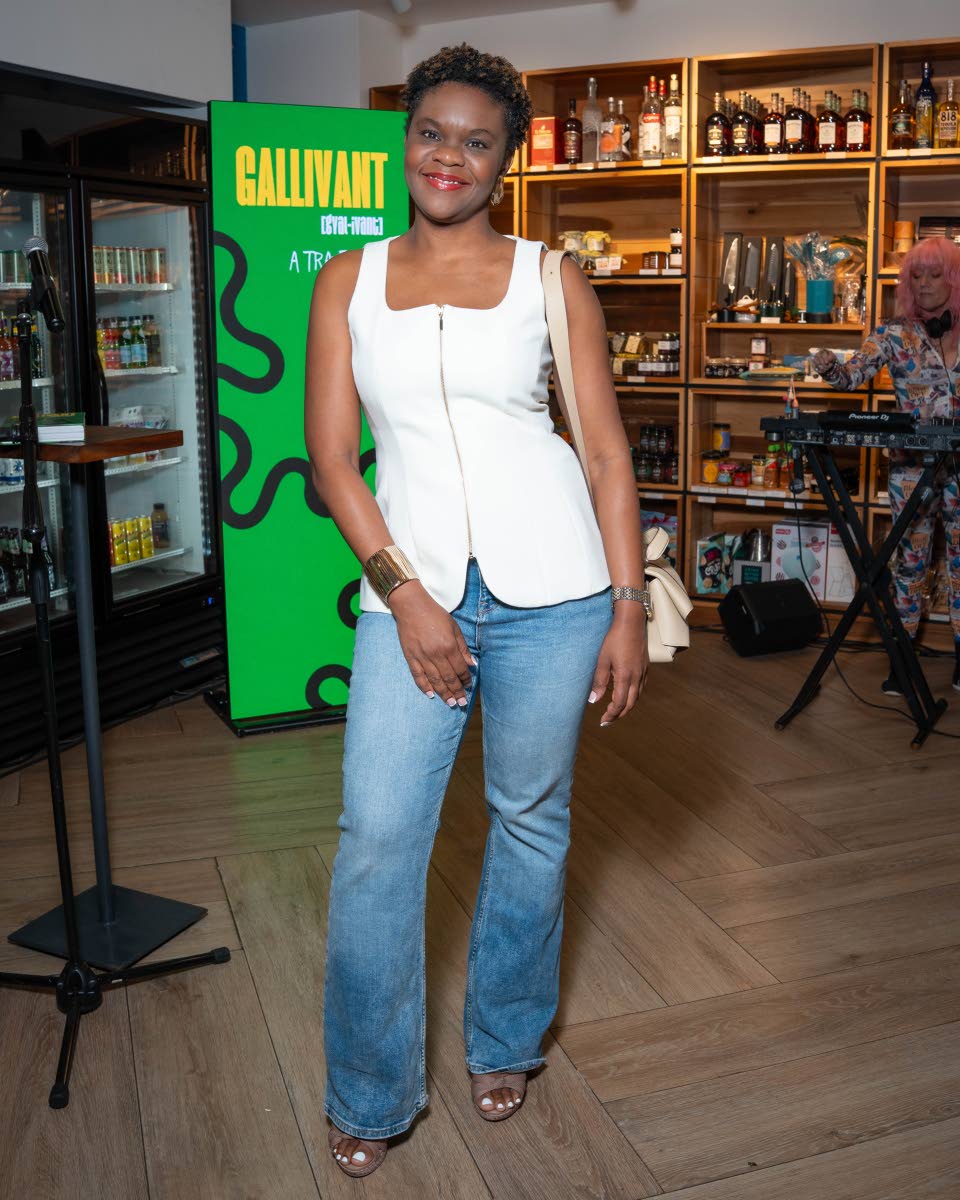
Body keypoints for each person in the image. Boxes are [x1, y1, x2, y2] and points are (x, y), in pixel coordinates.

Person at [304, 44, 650, 1180]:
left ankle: (505, 1035)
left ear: (507, 162)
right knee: (377, 844)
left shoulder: (553, 276)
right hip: (416, 595)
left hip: (557, 593)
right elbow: (331, 463)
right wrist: (404, 597)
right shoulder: (347, 280)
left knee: (532, 821)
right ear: (405, 139)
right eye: (432, 133)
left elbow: (602, 452)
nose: (448, 157)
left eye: (477, 140)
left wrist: (629, 609)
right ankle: (370, 1088)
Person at [814, 236, 960, 695]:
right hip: (912, 472)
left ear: (954, 280)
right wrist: (828, 367)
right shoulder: (894, 333)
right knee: (909, 565)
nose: (924, 285)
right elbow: (852, 375)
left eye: (934, 275)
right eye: (916, 276)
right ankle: (901, 658)